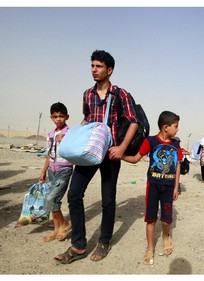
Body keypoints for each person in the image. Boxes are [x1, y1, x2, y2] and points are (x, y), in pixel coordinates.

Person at [55, 50, 139, 264]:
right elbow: (87, 120)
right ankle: (79, 245)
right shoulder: (87, 95)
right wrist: (70, 138)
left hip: (111, 153)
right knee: (74, 194)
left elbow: (133, 122)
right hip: (90, 152)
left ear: (109, 70)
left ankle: (104, 241)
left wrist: (121, 148)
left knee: (108, 200)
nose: (94, 69)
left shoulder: (121, 94)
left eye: (99, 66)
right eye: (92, 65)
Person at [122, 111, 182, 265]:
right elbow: (136, 158)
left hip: (169, 188)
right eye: (176, 126)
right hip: (153, 187)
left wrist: (176, 187)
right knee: (151, 218)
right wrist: (120, 155)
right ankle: (150, 248)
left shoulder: (176, 144)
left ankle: (166, 237)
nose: (178, 129)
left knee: (167, 218)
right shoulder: (150, 141)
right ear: (166, 127)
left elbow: (177, 166)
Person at [40, 102, 73, 243]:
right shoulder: (51, 134)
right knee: (55, 202)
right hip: (52, 170)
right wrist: (44, 170)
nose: (58, 119)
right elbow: (49, 154)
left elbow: (75, 148)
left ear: (66, 117)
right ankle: (56, 229)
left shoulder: (70, 133)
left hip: (64, 169)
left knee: (51, 198)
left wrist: (66, 140)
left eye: (61, 116)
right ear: (51, 118)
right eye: (55, 116)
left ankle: (64, 224)